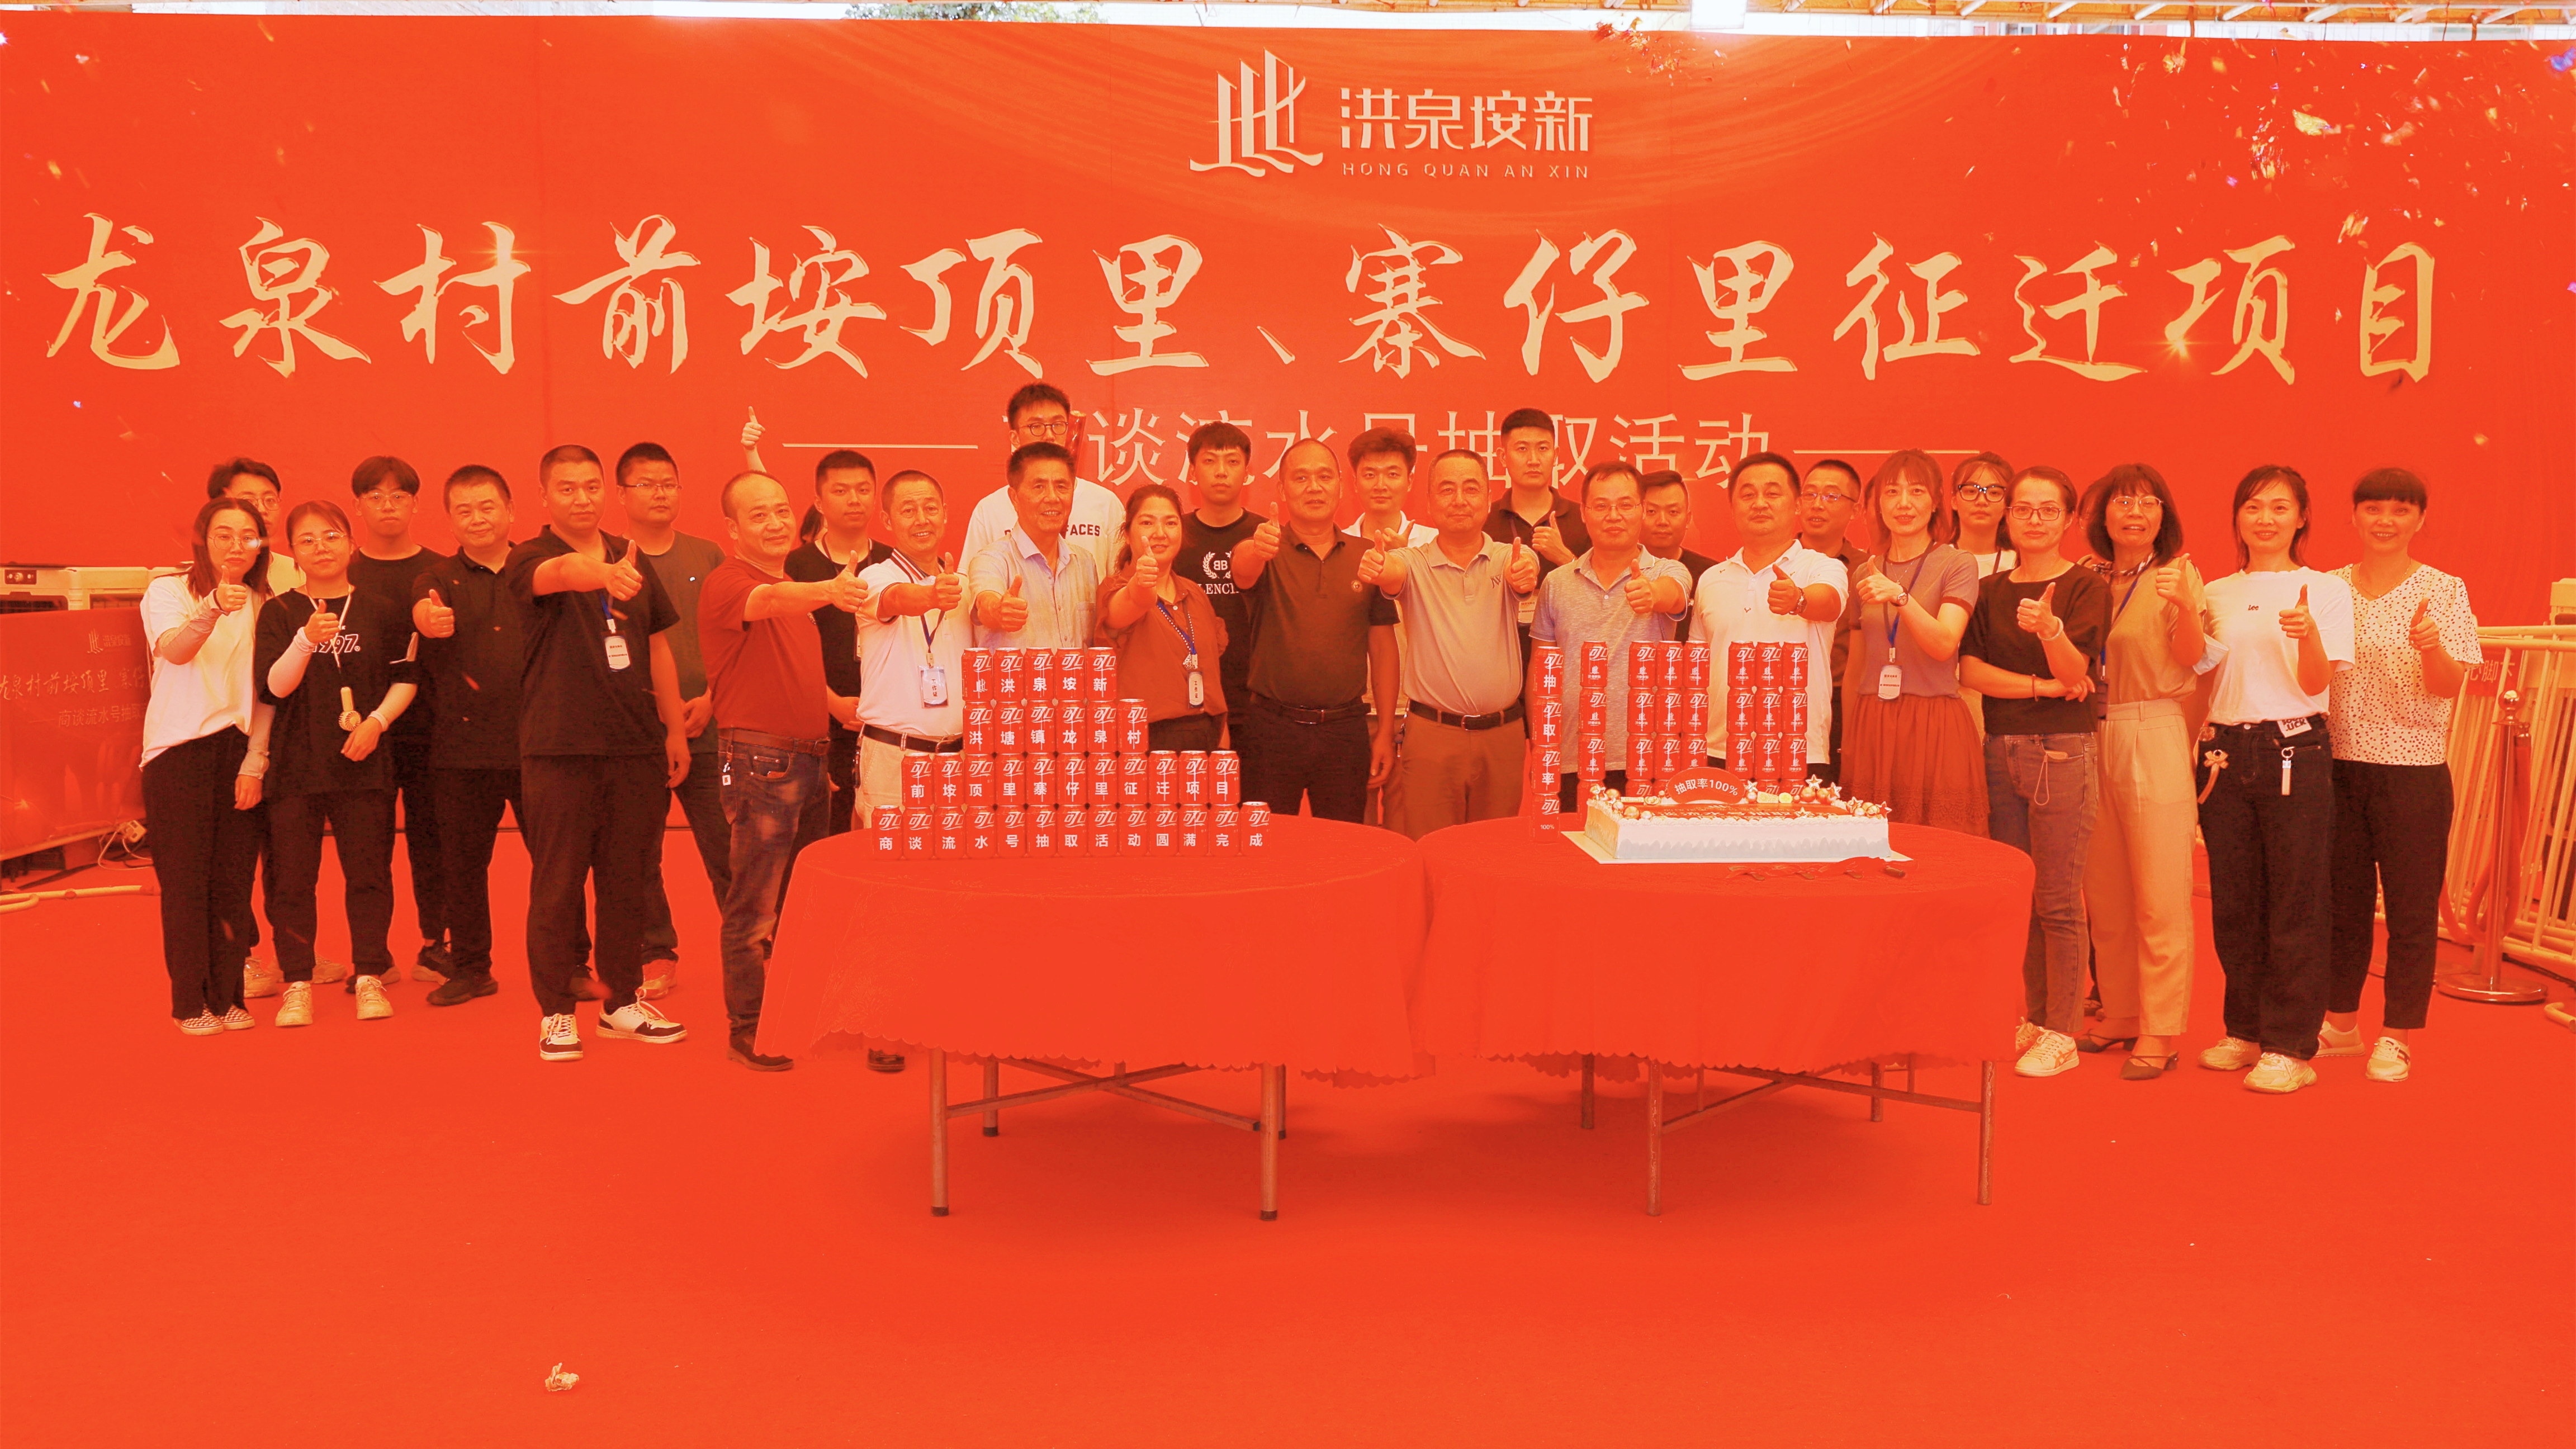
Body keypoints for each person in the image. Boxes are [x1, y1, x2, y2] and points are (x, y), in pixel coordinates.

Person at [508, 444, 693, 1063]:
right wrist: (602, 575)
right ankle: (557, 1012)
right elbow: (559, 575)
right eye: (567, 488)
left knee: (627, 882)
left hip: (635, 747)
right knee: (557, 885)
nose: (582, 498)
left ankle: (620, 1003)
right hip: (559, 749)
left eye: (591, 487)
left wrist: (673, 730)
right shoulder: (530, 556)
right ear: (545, 496)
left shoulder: (629, 554)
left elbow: (658, 647)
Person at [2193, 465, 2356, 1095]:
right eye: (2254, 507)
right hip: (2224, 751)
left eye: (2280, 507)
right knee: (2234, 898)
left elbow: (2316, 683)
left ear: (2302, 518)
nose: (2265, 519)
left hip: (2295, 746)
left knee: (2296, 898)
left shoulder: (2325, 590)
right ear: (2237, 517)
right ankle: (2244, 1027)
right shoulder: (2215, 592)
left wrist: (2308, 634)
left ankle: (2291, 1045)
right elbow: (2200, 676)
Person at [699, 471, 870, 1072]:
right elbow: (767, 604)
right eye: (758, 515)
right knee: (754, 904)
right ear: (732, 529)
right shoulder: (730, 582)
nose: (774, 523)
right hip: (760, 762)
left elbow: (792, 667)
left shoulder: (793, 590)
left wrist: (835, 712)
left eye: (779, 511)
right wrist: (832, 589)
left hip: (809, 758)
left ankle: (793, 1007)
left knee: (803, 899)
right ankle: (746, 1026)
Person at [2324, 468, 2479, 1083]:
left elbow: (2448, 686)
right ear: (2353, 515)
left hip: (2413, 771)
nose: (2385, 520)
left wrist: (2431, 647)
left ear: (2420, 519)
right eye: (2373, 508)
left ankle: (2398, 1035)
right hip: (2336, 766)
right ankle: (2340, 1024)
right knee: (2342, 906)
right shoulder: (2330, 588)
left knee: (2412, 910)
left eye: (2400, 509)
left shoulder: (2444, 590)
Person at [1958, 467, 2110, 1078]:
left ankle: (2063, 1030)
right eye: (2023, 508)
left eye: (2049, 510)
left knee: (2059, 897)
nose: (2035, 520)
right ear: (2007, 516)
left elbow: (2078, 672)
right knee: (2020, 894)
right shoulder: (1989, 589)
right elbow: (1971, 672)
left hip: (2062, 750)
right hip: (2001, 747)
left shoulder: (2084, 586)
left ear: (2070, 519)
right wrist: (2041, 686)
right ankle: (2035, 1015)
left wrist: (2051, 631)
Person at [254, 499, 420, 1029]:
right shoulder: (280, 613)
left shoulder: (381, 608)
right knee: (292, 881)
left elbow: (407, 678)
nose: (320, 548)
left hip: (364, 765)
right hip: (295, 768)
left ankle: (370, 974)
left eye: (330, 536)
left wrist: (376, 723)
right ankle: (298, 983)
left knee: (369, 874)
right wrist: (305, 640)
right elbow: (274, 688)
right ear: (294, 552)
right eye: (307, 540)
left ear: (350, 544)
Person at [411, 465, 568, 1008]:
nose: (477, 519)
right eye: (464, 510)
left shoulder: (541, 569)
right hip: (462, 751)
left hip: (539, 745)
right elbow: (423, 607)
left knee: (557, 866)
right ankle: (473, 968)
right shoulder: (437, 577)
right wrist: (428, 619)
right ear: (450, 520)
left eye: (487, 507)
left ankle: (572, 964)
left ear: (511, 511)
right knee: (462, 868)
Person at [2076, 464, 2206, 1078]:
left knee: (2160, 892)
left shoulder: (2177, 575)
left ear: (2164, 515)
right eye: (2122, 502)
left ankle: (2160, 1028)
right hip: (2088, 731)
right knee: (2105, 891)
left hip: (2151, 725)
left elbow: (2193, 659)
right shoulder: (2088, 577)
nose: (2134, 513)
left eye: (2147, 503)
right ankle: (2122, 1012)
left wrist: (2186, 610)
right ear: (2102, 516)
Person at [140, 498, 273, 1035]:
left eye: (248, 536)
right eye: (224, 534)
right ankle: (188, 1003)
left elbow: (267, 694)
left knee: (234, 883)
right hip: (177, 751)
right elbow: (176, 651)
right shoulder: (168, 591)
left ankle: (228, 996)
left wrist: (256, 762)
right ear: (203, 541)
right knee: (186, 883)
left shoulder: (266, 604)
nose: (236, 545)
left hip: (238, 751)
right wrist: (214, 606)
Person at [1228, 439, 1401, 822]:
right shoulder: (1266, 549)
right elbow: (1242, 568)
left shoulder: (1367, 555)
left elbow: (1383, 648)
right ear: (1281, 490)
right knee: (1268, 843)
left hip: (1345, 729)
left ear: (1340, 486)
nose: (1314, 488)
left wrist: (1386, 731)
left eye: (1324, 477)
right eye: (1301, 478)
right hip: (1272, 729)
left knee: (1343, 845)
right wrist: (1257, 549)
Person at [1373, 450, 1538, 837]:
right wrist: (1379, 567)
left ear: (1489, 498)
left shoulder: (1510, 556)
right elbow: (1392, 572)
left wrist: (1524, 574)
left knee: (1494, 853)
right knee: (1429, 848)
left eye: (1471, 489)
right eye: (1447, 490)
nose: (1459, 500)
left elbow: (1525, 572)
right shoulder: (1411, 561)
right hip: (1432, 735)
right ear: (1430, 502)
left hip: (1503, 736)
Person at [617, 442, 731, 1001]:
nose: (660, 493)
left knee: (728, 848)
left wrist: (712, 696)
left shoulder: (708, 555)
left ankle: (753, 947)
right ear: (622, 495)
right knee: (640, 855)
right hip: (638, 734)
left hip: (708, 725)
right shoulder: (613, 562)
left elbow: (735, 635)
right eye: (646, 484)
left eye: (668, 483)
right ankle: (655, 953)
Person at [1839, 450, 1985, 834]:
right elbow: (1856, 668)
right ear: (1877, 504)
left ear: (1936, 502)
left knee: (1940, 846)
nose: (1904, 503)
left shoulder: (1958, 563)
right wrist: (1851, 739)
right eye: (1892, 492)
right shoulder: (1864, 572)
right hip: (1874, 722)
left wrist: (1900, 597)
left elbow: (1945, 644)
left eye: (1916, 491)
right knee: (1873, 843)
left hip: (1934, 721)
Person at [1532, 462, 1692, 809]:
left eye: (1625, 505)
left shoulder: (1666, 570)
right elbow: (1540, 672)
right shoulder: (1557, 583)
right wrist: (1541, 745)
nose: (1613, 516)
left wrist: (1653, 594)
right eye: (1601, 506)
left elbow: (1674, 594)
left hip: (1647, 760)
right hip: (1571, 756)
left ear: (1642, 511)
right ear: (1584, 513)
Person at [345, 454, 449, 986]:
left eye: (399, 496)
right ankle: (373, 957)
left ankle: (436, 946)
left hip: (433, 729)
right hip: (363, 732)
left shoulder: (441, 570)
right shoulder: (343, 572)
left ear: (415, 504)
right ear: (358, 506)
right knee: (368, 848)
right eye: (375, 496)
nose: (388, 506)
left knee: (434, 841)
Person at [1689, 454, 1847, 782]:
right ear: (1732, 508)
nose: (1760, 503)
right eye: (1748, 495)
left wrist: (1799, 599)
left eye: (1773, 493)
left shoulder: (1822, 566)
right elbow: (1697, 665)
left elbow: (1830, 602)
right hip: (1719, 749)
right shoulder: (1711, 579)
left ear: (1797, 505)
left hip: (1798, 750)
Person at [778, 447, 891, 836]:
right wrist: (832, 703)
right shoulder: (795, 566)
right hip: (817, 727)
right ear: (819, 502)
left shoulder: (895, 563)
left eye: (863, 490)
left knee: (882, 838)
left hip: (885, 724)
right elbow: (786, 654)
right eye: (841, 491)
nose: (854, 499)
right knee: (822, 840)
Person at [1345, 428, 1438, 826]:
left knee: (1412, 829)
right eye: (1370, 474)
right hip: (1354, 711)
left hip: (1421, 712)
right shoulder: (1338, 545)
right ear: (1354, 481)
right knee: (1357, 833)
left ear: (1411, 480)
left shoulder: (1435, 544)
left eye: (1392, 474)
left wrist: (1410, 568)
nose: (1381, 484)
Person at [1098, 485, 1230, 752]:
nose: (1160, 533)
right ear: (1127, 534)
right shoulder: (1114, 589)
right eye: (1147, 523)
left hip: (1208, 736)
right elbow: (1131, 603)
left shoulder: (1195, 593)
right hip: (1146, 743)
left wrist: (1222, 745)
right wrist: (1142, 583)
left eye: (1170, 523)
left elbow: (1212, 679)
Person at [958, 383, 1126, 579]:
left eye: (1058, 425)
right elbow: (973, 581)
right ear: (1015, 438)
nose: (1049, 435)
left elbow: (1119, 583)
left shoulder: (1105, 503)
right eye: (1036, 426)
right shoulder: (989, 510)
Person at [1171, 422, 1265, 728]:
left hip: (1258, 699)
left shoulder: (1266, 536)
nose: (1221, 472)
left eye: (1232, 462)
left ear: (1247, 472)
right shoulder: (1174, 535)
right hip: (1185, 697)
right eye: (1210, 461)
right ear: (1193, 472)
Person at [968, 442, 1098, 650]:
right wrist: (999, 611)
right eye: (1039, 487)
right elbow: (985, 604)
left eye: (1062, 487)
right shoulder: (991, 560)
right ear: (1014, 498)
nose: (1053, 498)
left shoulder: (1085, 562)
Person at [1484, 408, 1589, 644]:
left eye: (1543, 449)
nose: (1533, 460)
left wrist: (1566, 559)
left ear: (1556, 454)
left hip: (1568, 648)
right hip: (1497, 648)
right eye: (1522, 449)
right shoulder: (1485, 522)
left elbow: (1604, 596)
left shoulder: (1584, 518)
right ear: (1503, 457)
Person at [1640, 470, 1718, 642]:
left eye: (1673, 512)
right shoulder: (1619, 570)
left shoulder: (1712, 575)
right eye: (1651, 511)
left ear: (1688, 519)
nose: (1662, 521)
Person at [207, 456, 304, 594]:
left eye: (270, 500)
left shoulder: (300, 575)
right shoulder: (185, 585)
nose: (262, 510)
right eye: (248, 501)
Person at [1947, 452, 2018, 579]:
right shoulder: (1935, 561)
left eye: (1994, 493)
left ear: (2007, 504)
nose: (1981, 501)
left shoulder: (2019, 563)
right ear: (1954, 501)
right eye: (1971, 491)